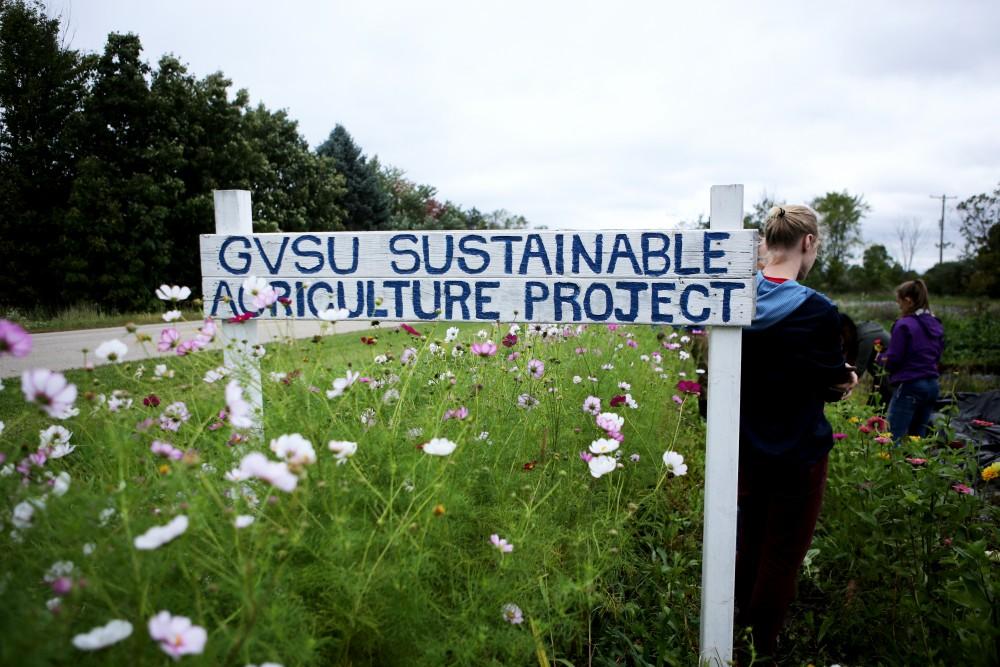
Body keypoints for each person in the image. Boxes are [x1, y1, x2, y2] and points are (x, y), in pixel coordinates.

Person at [736, 205, 857, 663]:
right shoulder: (817, 310)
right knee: (784, 551)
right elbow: (829, 380)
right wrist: (847, 380)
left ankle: (737, 622)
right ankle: (762, 645)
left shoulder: (736, 298)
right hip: (798, 449)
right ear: (807, 243)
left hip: (743, 444)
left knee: (748, 537)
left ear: (769, 242)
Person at [880, 280, 944, 441]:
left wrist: (881, 359)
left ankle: (891, 466)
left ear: (908, 301)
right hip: (932, 385)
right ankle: (916, 466)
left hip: (910, 385)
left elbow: (894, 358)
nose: (899, 306)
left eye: (899, 302)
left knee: (893, 437)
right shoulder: (935, 323)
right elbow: (937, 352)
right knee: (918, 439)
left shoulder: (904, 325)